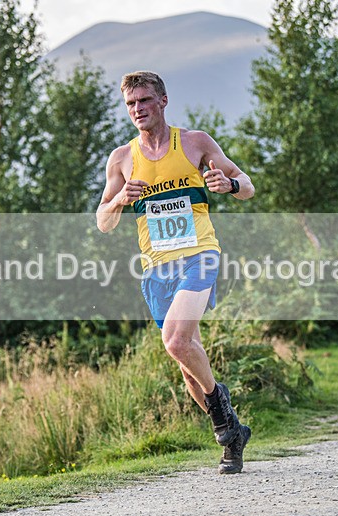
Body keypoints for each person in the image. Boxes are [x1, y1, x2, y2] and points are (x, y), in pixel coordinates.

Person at [96, 71, 255, 474]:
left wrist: (228, 186)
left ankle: (223, 421)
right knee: (186, 363)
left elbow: (247, 183)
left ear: (163, 101)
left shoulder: (195, 142)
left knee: (175, 341)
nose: (138, 110)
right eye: (131, 104)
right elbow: (103, 222)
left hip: (200, 254)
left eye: (145, 101)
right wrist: (117, 200)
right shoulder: (122, 158)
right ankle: (232, 434)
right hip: (156, 268)